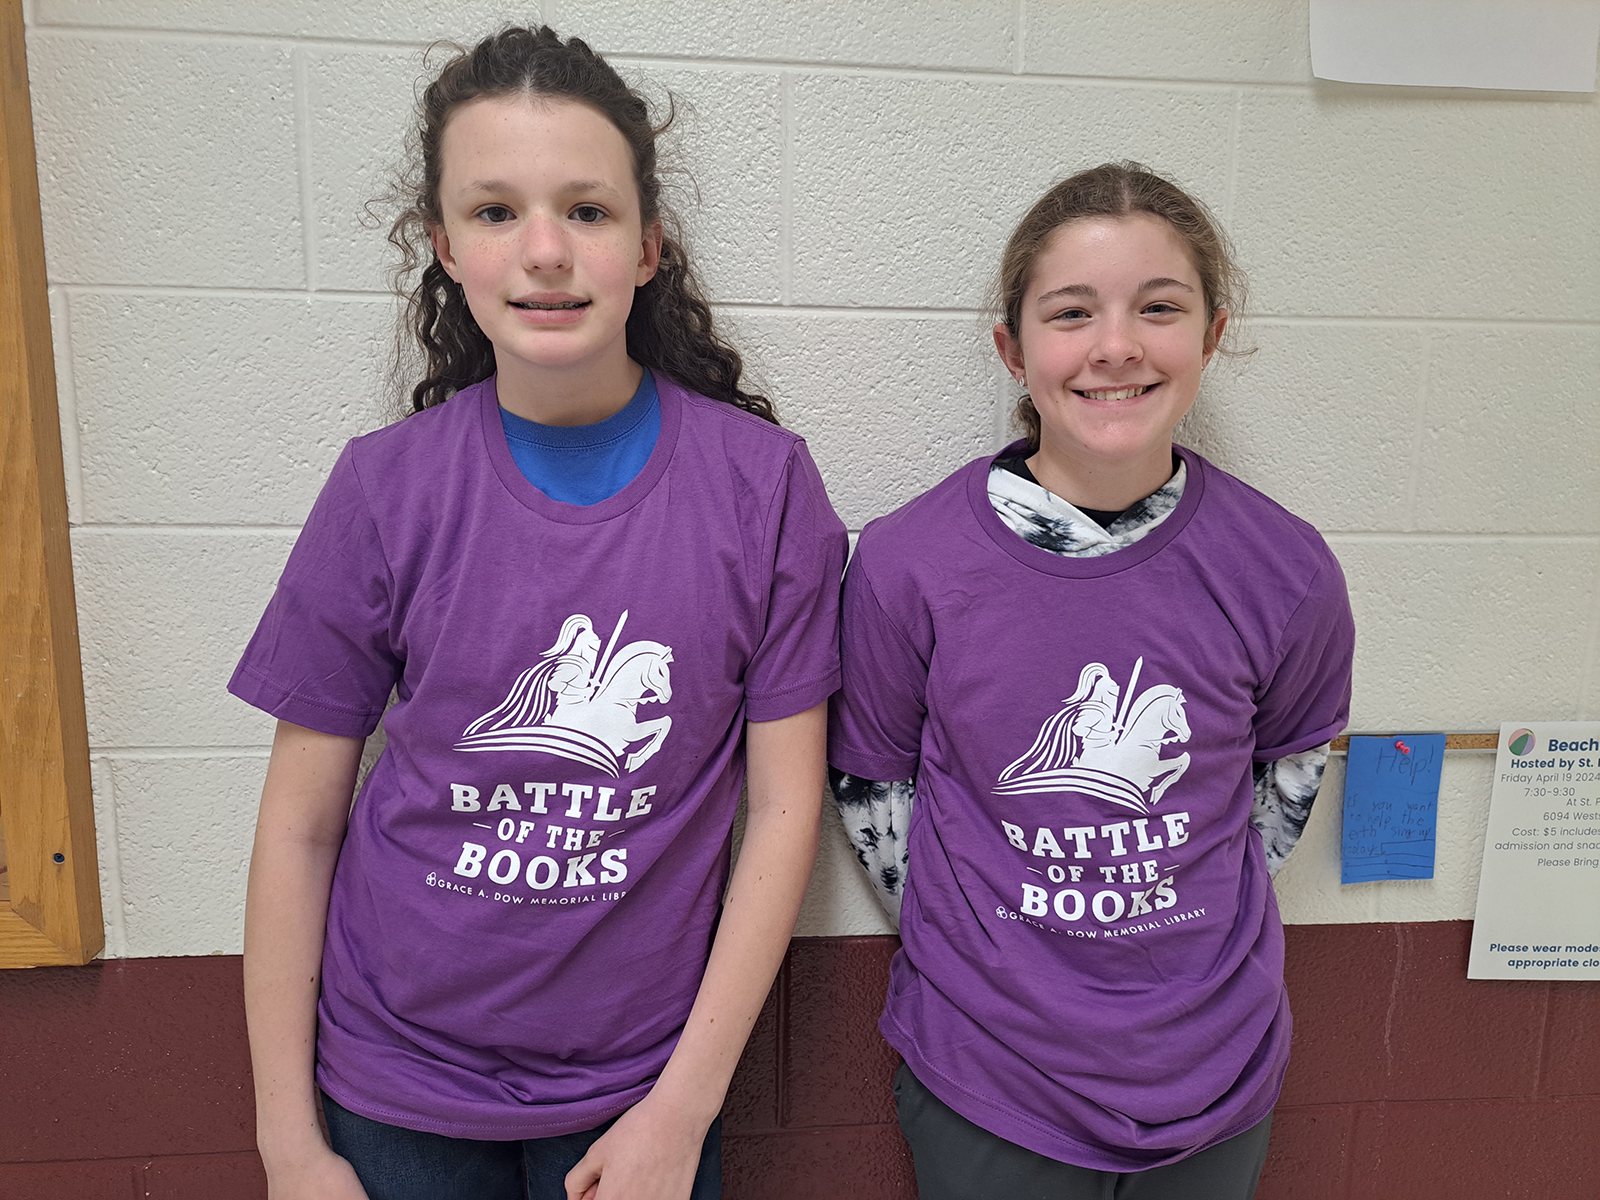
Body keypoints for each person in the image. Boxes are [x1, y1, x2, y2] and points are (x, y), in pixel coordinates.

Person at [230, 26, 845, 1200]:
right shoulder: (383, 488)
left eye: (588, 210)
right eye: (497, 211)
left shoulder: (762, 488)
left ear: (647, 247)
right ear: (444, 244)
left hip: (638, 1092)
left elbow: (781, 807)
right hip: (392, 1084)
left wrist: (682, 1109)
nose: (547, 251)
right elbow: (299, 827)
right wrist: (289, 1146)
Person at [828, 162, 1354, 1199]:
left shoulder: (1286, 570)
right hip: (988, 1079)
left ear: (1210, 334)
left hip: (1217, 1075)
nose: (1116, 346)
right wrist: (996, 961)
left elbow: (1284, 779)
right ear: (1012, 349)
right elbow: (875, 796)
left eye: (1158, 308)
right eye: (1072, 313)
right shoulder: (906, 564)